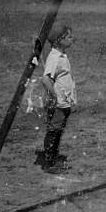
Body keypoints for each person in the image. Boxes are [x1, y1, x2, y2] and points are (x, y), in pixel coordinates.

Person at [39, 26, 76, 173]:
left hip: (63, 103)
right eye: (69, 37)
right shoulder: (55, 58)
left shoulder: (62, 56)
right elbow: (45, 79)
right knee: (54, 131)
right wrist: (54, 96)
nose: (72, 39)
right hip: (58, 104)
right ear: (59, 40)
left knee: (58, 130)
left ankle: (53, 157)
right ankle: (49, 163)